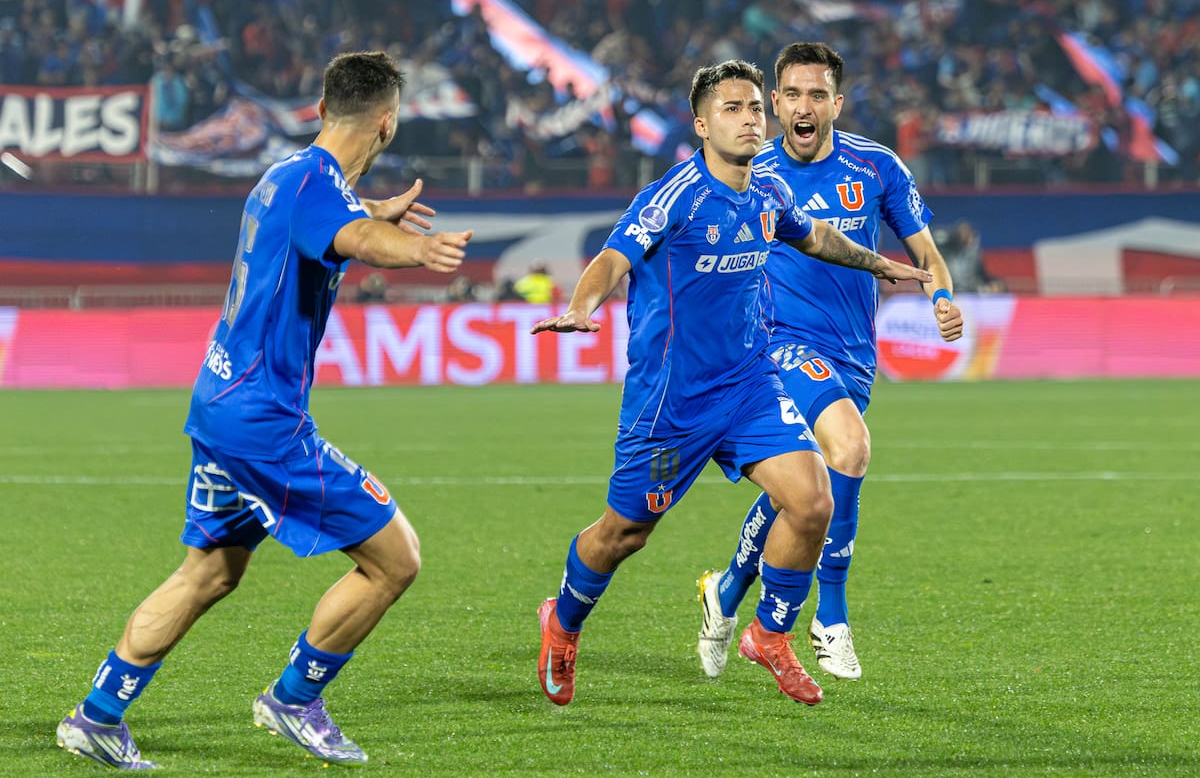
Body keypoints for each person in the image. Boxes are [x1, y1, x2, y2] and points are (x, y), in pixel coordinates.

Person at [55, 50, 472, 770]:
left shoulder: (286, 175)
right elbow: (354, 238)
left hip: (218, 401)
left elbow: (330, 221)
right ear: (386, 123)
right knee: (394, 558)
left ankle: (98, 715)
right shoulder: (322, 192)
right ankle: (293, 700)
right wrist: (414, 247)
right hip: (264, 423)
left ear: (319, 108)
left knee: (210, 572)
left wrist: (375, 209)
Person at [532, 59, 932, 707]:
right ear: (700, 125)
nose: (749, 119)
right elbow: (612, 257)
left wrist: (882, 264)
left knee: (813, 500)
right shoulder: (674, 197)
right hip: (672, 403)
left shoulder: (768, 193)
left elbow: (817, 238)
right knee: (623, 534)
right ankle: (565, 622)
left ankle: (769, 635)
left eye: (754, 108)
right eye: (732, 109)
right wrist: (583, 306)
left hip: (748, 386)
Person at [695, 42, 963, 685]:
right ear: (776, 103)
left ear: (836, 103)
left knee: (806, 488)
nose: (803, 106)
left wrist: (943, 296)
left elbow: (924, 249)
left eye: (818, 94)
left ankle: (729, 589)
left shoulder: (875, 166)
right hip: (776, 345)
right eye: (791, 94)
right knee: (849, 448)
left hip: (853, 354)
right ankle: (830, 616)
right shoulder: (748, 169)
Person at [937, 219, 1006, 294]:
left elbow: (982, 275)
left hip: (973, 292)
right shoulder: (946, 254)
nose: (964, 237)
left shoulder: (974, 255)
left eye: (967, 234)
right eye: (961, 234)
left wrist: (994, 283)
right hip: (951, 291)